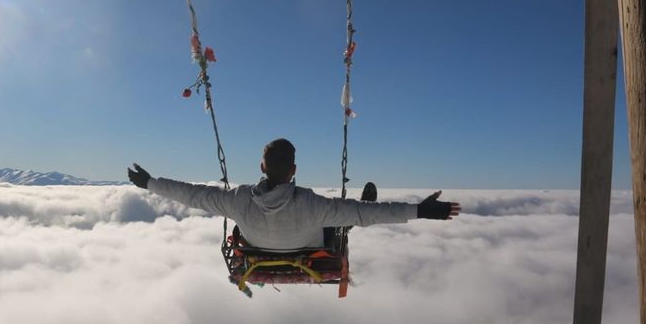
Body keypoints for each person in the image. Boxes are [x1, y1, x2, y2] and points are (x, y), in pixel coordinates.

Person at [127, 138, 460, 251]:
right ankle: (341, 227)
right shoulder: (311, 204)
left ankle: (340, 222)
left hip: (259, 245)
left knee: (232, 219)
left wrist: (150, 183)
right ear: (294, 171)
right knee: (349, 217)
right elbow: (367, 214)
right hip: (309, 244)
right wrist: (420, 211)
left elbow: (193, 195)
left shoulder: (239, 200)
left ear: (261, 166)